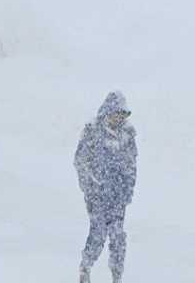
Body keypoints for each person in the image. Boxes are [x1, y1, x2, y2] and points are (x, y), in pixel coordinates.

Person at [74, 91, 137, 283]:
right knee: (98, 234)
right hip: (98, 197)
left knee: (118, 238)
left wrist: (127, 191)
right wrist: (90, 186)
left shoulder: (127, 135)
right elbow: (80, 161)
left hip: (118, 197)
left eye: (122, 115)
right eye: (116, 113)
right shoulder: (93, 132)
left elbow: (131, 166)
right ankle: (85, 267)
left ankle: (117, 276)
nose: (119, 118)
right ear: (108, 111)